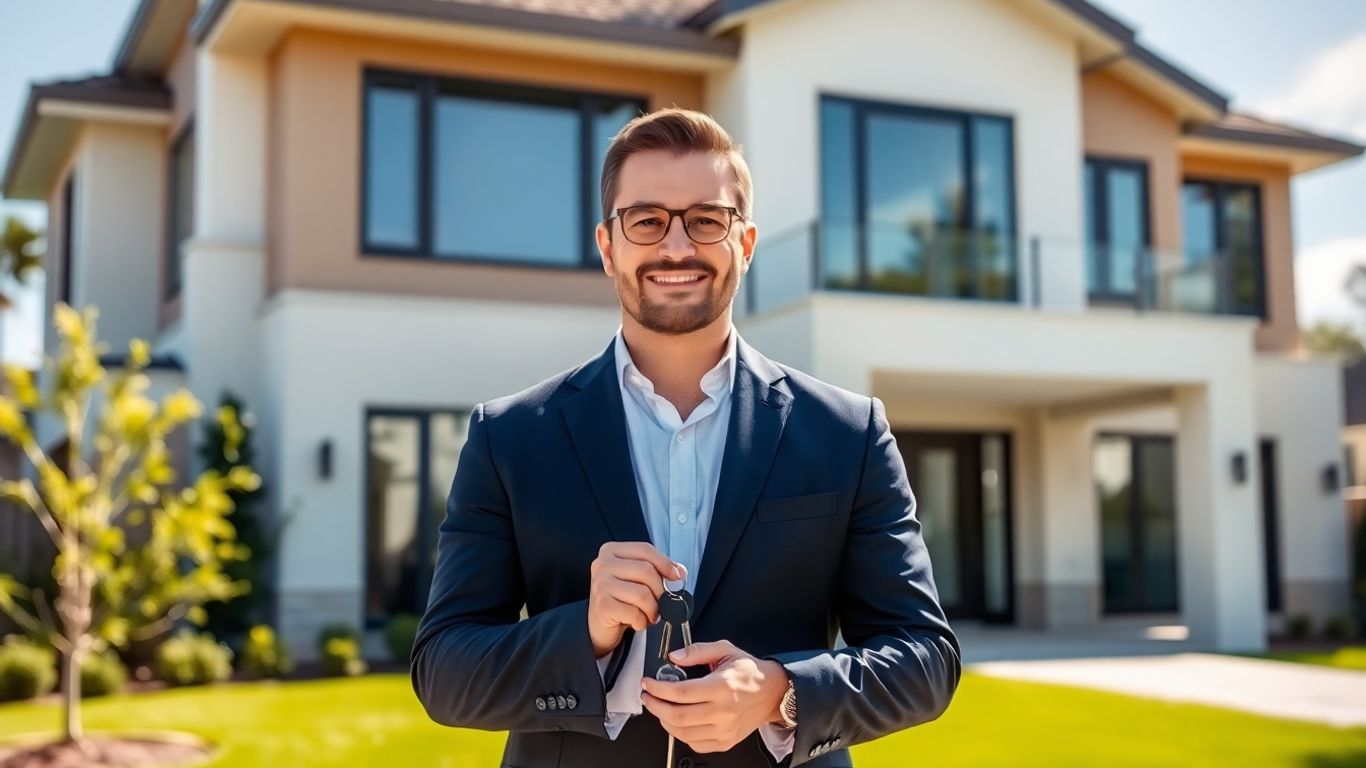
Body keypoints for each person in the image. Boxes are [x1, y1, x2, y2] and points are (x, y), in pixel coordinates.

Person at [411, 107, 960, 768]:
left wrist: (780, 693)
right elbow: (443, 671)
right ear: (608, 244)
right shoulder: (509, 437)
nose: (676, 247)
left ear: (746, 243)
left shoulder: (849, 433)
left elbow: (925, 659)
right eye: (646, 220)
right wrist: (585, 634)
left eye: (706, 220)